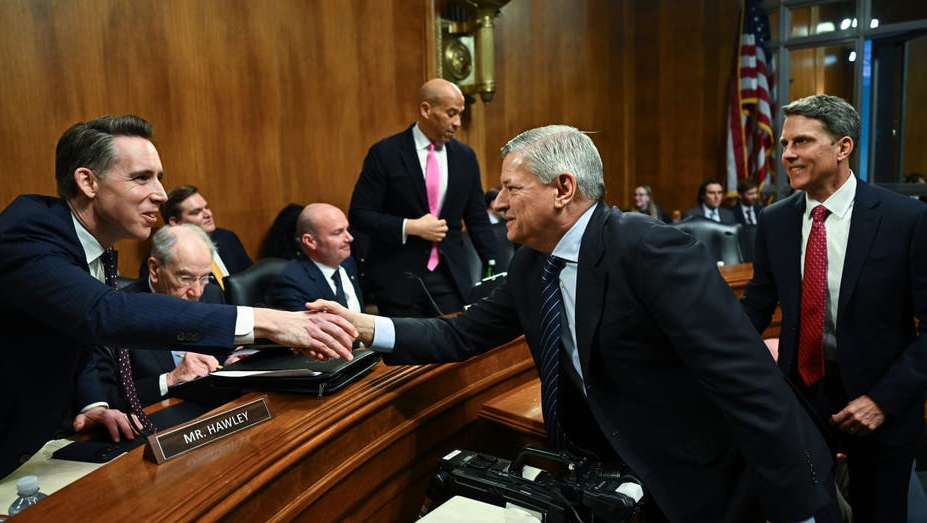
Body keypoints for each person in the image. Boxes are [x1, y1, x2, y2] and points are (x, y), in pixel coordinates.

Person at [317, 125, 839, 522]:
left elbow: (744, 378)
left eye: (510, 189)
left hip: (690, 476)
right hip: (598, 470)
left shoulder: (649, 248)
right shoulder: (530, 262)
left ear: (563, 188)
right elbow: (461, 333)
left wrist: (798, 506)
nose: (496, 205)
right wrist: (366, 327)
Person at [0, 114, 356, 480]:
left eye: (159, 178)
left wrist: (93, 403)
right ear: (88, 181)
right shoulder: (28, 235)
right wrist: (267, 320)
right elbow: (103, 314)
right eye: (141, 178)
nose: (162, 195)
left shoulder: (92, 244)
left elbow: (73, 326)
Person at [741, 94, 927, 522]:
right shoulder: (775, 221)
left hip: (881, 406)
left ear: (843, 148)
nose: (787, 155)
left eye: (802, 142)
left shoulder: (906, 220)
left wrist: (882, 401)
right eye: (785, 144)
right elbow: (754, 306)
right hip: (800, 402)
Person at [349, 78, 497, 317]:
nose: (457, 122)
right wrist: (411, 226)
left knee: (455, 349)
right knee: (408, 353)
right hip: (398, 277)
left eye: (460, 114)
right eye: (451, 114)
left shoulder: (465, 157)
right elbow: (360, 215)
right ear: (426, 109)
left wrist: (494, 265)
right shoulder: (385, 153)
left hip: (450, 276)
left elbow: (477, 218)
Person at [99, 224, 231, 408]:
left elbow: (223, 351)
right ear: (154, 269)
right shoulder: (118, 312)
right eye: (185, 278)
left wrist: (233, 359)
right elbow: (108, 398)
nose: (197, 292)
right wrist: (170, 379)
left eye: (204, 278)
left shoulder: (212, 294)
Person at [139, 185, 253, 287]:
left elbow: (252, 278)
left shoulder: (227, 237)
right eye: (196, 212)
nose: (207, 214)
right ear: (175, 222)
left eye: (206, 207)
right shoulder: (160, 256)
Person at [270, 203, 364, 313]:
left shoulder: (347, 263)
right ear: (310, 241)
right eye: (337, 233)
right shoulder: (292, 282)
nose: (350, 238)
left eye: (347, 230)